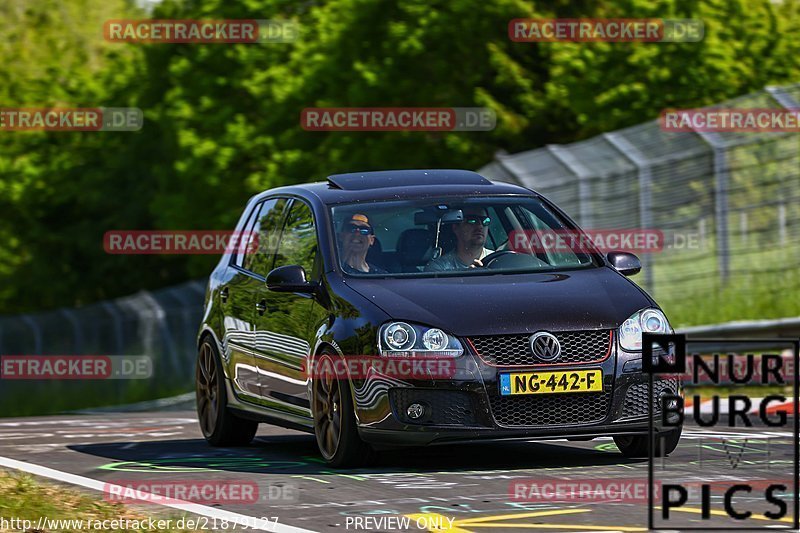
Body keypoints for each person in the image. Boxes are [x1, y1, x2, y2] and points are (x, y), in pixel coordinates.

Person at [425, 207, 494, 271]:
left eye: (485, 221)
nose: (480, 226)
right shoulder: (439, 268)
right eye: (472, 220)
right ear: (455, 228)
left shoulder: (496, 260)